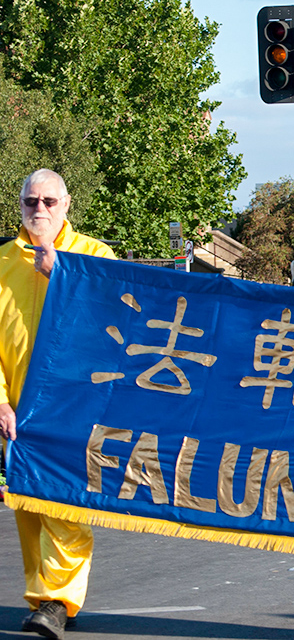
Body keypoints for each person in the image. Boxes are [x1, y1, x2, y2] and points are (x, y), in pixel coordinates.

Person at [0, 169, 118, 638]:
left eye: (49, 201)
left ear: (66, 205)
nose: (40, 210)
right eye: (31, 201)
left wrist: (61, 276)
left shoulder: (94, 257)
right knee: (29, 506)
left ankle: (57, 600)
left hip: (74, 408)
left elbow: (116, 324)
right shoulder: (3, 261)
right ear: (20, 205)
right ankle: (46, 598)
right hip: (17, 412)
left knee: (65, 505)